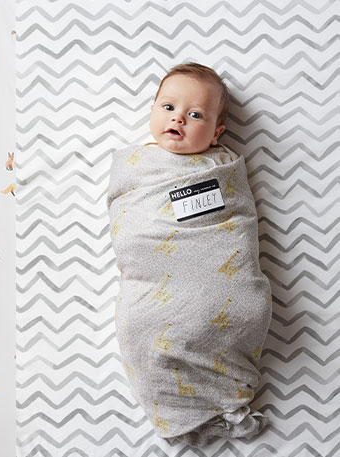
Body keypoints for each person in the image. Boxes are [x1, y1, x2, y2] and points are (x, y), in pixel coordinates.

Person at [107, 63, 271, 445]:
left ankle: (230, 400)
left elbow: (237, 221)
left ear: (217, 133)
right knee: (138, 326)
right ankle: (177, 406)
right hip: (153, 288)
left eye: (195, 114)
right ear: (152, 111)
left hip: (218, 282)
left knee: (244, 305)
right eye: (167, 107)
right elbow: (131, 221)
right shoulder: (137, 166)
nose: (178, 117)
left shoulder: (222, 167)